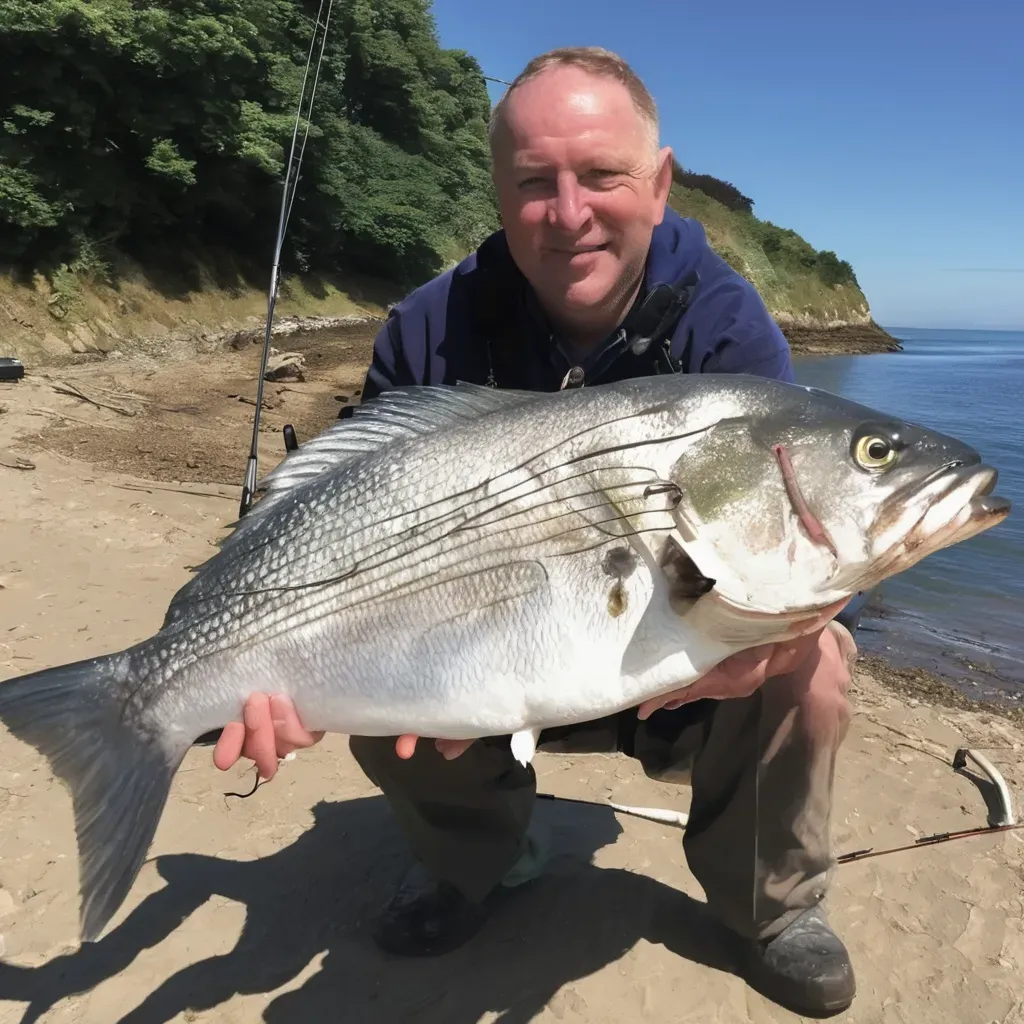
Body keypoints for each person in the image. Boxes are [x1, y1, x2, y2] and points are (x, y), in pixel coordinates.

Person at [213, 47, 860, 1017]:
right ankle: (476, 861)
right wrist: (303, 668)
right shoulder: (430, 329)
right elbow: (350, 523)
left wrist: (786, 634)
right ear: (498, 191)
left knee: (817, 663)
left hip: (679, 671)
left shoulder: (730, 336)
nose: (569, 213)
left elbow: (825, 527)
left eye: (601, 174)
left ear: (658, 182)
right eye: (534, 184)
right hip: (487, 655)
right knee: (364, 670)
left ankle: (767, 905)